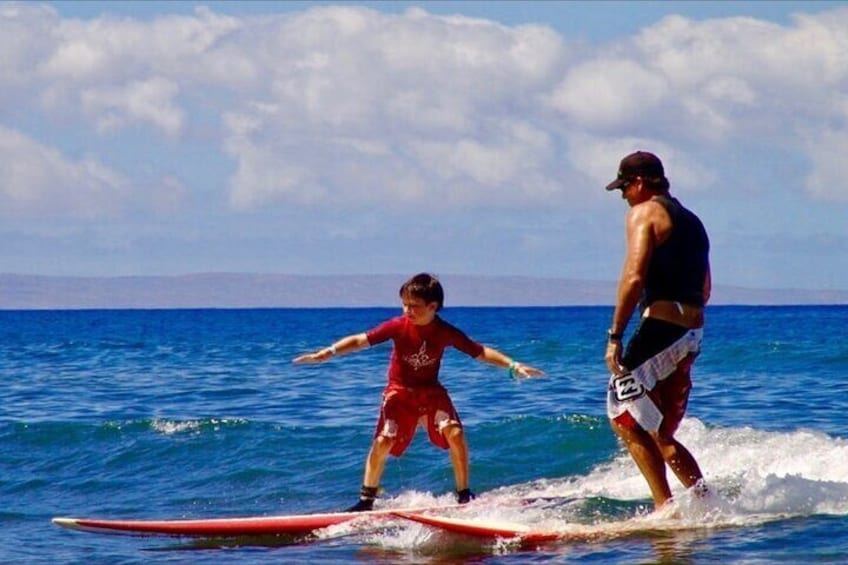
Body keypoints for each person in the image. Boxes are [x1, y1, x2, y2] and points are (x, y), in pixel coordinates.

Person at [293, 272, 544, 512]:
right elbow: (361, 339)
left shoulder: (445, 331)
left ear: (433, 306)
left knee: (455, 433)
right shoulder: (397, 326)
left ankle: (464, 493)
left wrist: (513, 366)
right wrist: (327, 353)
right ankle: (365, 500)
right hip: (399, 393)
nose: (407, 311)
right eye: (404, 304)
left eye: (413, 306)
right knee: (384, 441)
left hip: (431, 392)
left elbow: (479, 351)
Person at [603, 151, 710, 510]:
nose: (623, 197)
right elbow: (706, 288)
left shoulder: (643, 213)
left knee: (622, 412)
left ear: (640, 182)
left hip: (661, 330)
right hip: (691, 335)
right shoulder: (694, 222)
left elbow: (633, 278)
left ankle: (664, 507)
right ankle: (705, 501)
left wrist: (615, 336)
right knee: (660, 430)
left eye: (624, 188)